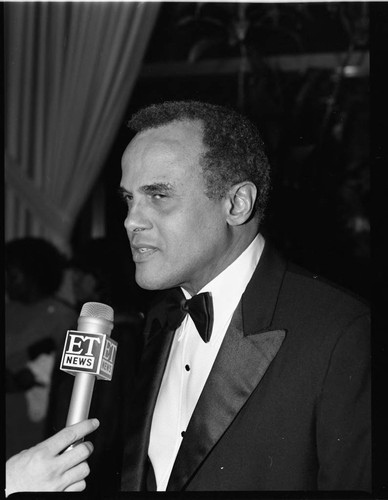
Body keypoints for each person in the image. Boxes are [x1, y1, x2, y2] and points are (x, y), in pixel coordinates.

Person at [5, 100, 371, 494]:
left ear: (237, 204)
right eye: (129, 198)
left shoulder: (342, 333)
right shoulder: (160, 318)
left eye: (158, 196)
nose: (131, 219)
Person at [5, 237, 78, 460]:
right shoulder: (8, 311)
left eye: (13, 275)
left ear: (34, 273)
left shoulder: (64, 317)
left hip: (39, 426)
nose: (7, 281)